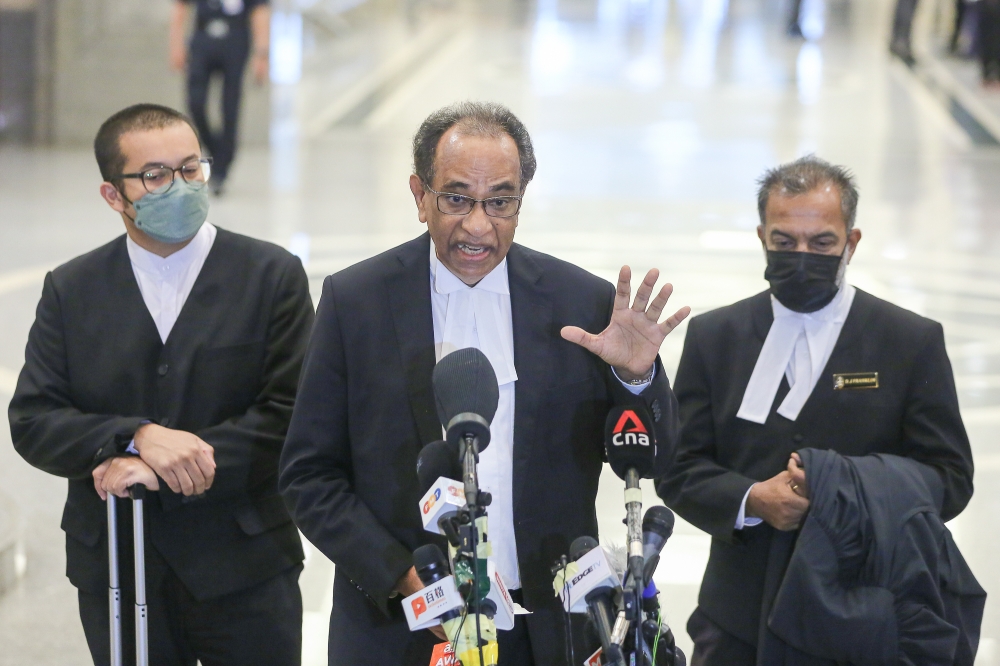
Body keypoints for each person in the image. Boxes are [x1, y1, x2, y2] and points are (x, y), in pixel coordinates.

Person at [278, 101, 689, 665]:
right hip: (404, 629)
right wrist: (402, 577)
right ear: (420, 195)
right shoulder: (357, 302)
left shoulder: (581, 303)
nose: (478, 225)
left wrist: (635, 377)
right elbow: (308, 473)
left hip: (550, 628)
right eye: (456, 199)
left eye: (500, 201)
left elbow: (653, 460)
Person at [8, 103, 313, 666]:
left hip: (244, 564)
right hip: (119, 566)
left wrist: (163, 467)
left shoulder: (271, 275)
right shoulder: (72, 289)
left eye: (191, 168)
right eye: (155, 176)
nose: (180, 186)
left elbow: (290, 412)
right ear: (113, 195)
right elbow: (34, 419)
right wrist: (135, 436)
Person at [657, 155, 974, 665]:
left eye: (822, 243)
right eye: (785, 242)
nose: (802, 255)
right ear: (761, 236)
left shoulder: (908, 342)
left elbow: (951, 478)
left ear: (852, 242)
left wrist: (840, 490)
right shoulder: (717, 338)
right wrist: (751, 498)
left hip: (864, 613)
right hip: (739, 617)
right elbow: (679, 469)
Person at [169, 0, 270, 195]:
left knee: (230, 107)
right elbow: (180, 8)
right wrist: (176, 45)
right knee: (195, 102)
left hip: (236, 41)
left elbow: (260, 12)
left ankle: (222, 169)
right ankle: (216, 151)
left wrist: (262, 54)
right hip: (203, 40)